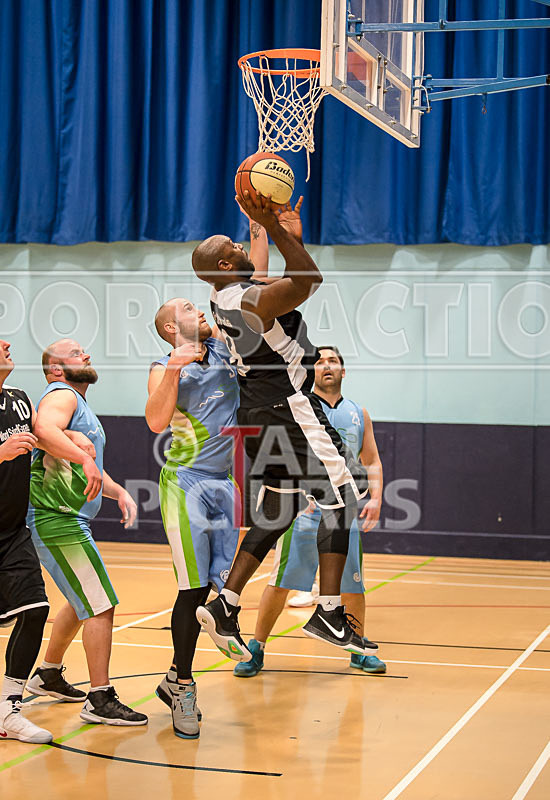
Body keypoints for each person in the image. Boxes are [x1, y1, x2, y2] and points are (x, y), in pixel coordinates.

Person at [192, 190, 374, 660]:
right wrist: (272, 227)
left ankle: (226, 603)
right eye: (233, 247)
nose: (241, 245)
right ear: (225, 266)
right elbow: (308, 279)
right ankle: (328, 611)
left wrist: (281, 233)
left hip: (257, 411)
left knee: (278, 510)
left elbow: (279, 273)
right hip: (288, 408)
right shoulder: (248, 300)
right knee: (345, 493)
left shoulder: (222, 295)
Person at [145, 212, 275, 739]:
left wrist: (260, 227)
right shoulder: (165, 365)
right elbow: (155, 421)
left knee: (219, 590)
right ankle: (183, 685)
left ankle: (179, 673)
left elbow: (252, 282)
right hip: (186, 484)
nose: (197, 309)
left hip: (225, 483)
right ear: (170, 328)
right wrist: (176, 366)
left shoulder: (224, 344)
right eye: (186, 308)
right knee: (192, 588)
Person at [235, 345, 386, 677]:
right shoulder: (296, 405)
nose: (326, 365)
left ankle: (356, 647)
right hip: (303, 513)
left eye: (333, 360)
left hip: (341, 513)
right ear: (309, 371)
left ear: (343, 370)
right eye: (319, 361)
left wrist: (375, 498)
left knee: (353, 584)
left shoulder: (358, 413)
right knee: (280, 583)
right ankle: (256, 647)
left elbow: (371, 459)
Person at [25, 338, 147, 727]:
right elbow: (43, 429)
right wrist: (82, 455)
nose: (87, 355)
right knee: (100, 604)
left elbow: (86, 467)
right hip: (54, 517)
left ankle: (48, 673)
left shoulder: (79, 404)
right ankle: (100, 698)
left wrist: (118, 491)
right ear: (56, 369)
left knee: (82, 600)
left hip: (69, 518)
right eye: (76, 353)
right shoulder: (61, 395)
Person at [0, 339, 53, 744]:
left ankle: (7, 709)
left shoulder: (18, 399)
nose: (6, 343)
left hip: (13, 530)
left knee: (35, 610)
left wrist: (78, 451)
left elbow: (45, 436)